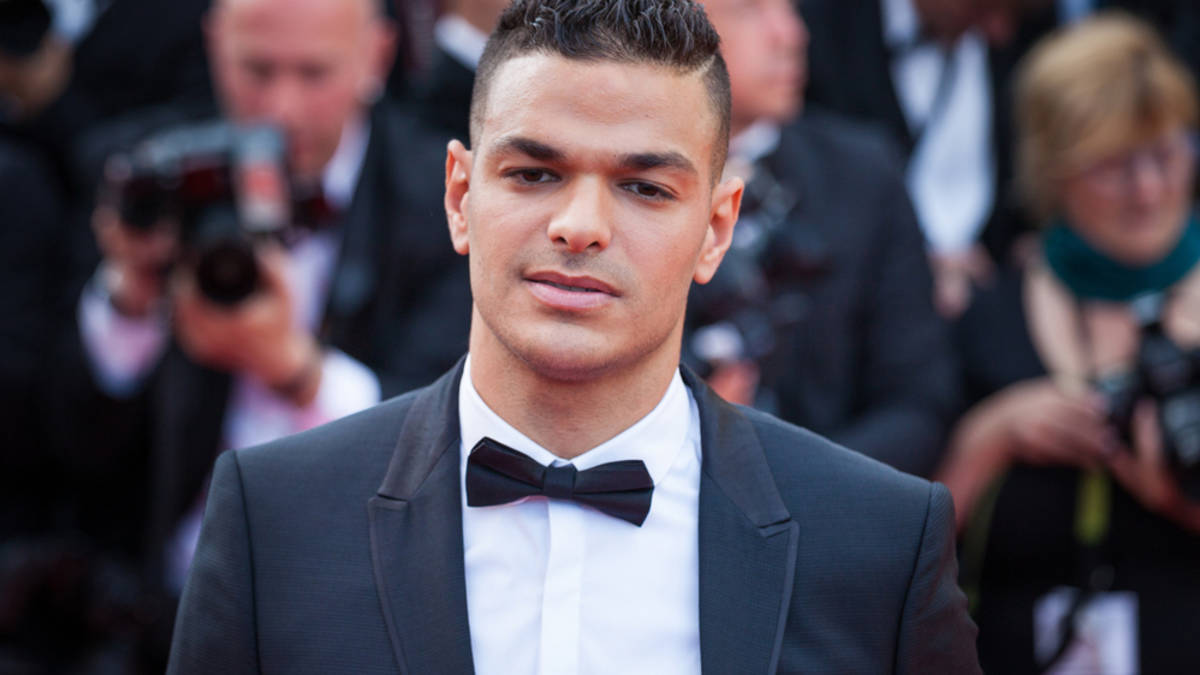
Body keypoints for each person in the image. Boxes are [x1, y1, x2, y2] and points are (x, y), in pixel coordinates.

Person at [167, 1, 979, 672]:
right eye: (534, 173)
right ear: (459, 196)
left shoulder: (878, 541)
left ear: (716, 228)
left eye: (644, 187)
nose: (580, 224)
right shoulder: (274, 519)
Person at [39, 0, 470, 667]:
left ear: (377, 56)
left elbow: (446, 450)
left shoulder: (447, 208)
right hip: (149, 612)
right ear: (214, 45)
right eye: (257, 70)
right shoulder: (138, 174)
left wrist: (295, 370)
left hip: (357, 616)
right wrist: (130, 299)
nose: (281, 109)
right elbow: (64, 445)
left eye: (313, 73)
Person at [934, 15, 1200, 672]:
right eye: (1113, 165)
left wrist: (1173, 494)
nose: (1148, 189)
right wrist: (989, 436)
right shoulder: (988, 320)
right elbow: (896, 563)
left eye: (1166, 152)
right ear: (1052, 171)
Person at [690, 0, 958, 476]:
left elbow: (918, 401)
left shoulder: (863, 176)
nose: (792, 35)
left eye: (790, 7)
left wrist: (798, 482)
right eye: (750, 9)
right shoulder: (613, 177)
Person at [802, 0, 1045, 317]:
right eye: (983, 7)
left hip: (991, 291)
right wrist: (912, 260)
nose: (999, 31)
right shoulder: (822, 26)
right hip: (872, 292)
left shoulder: (1017, 39)